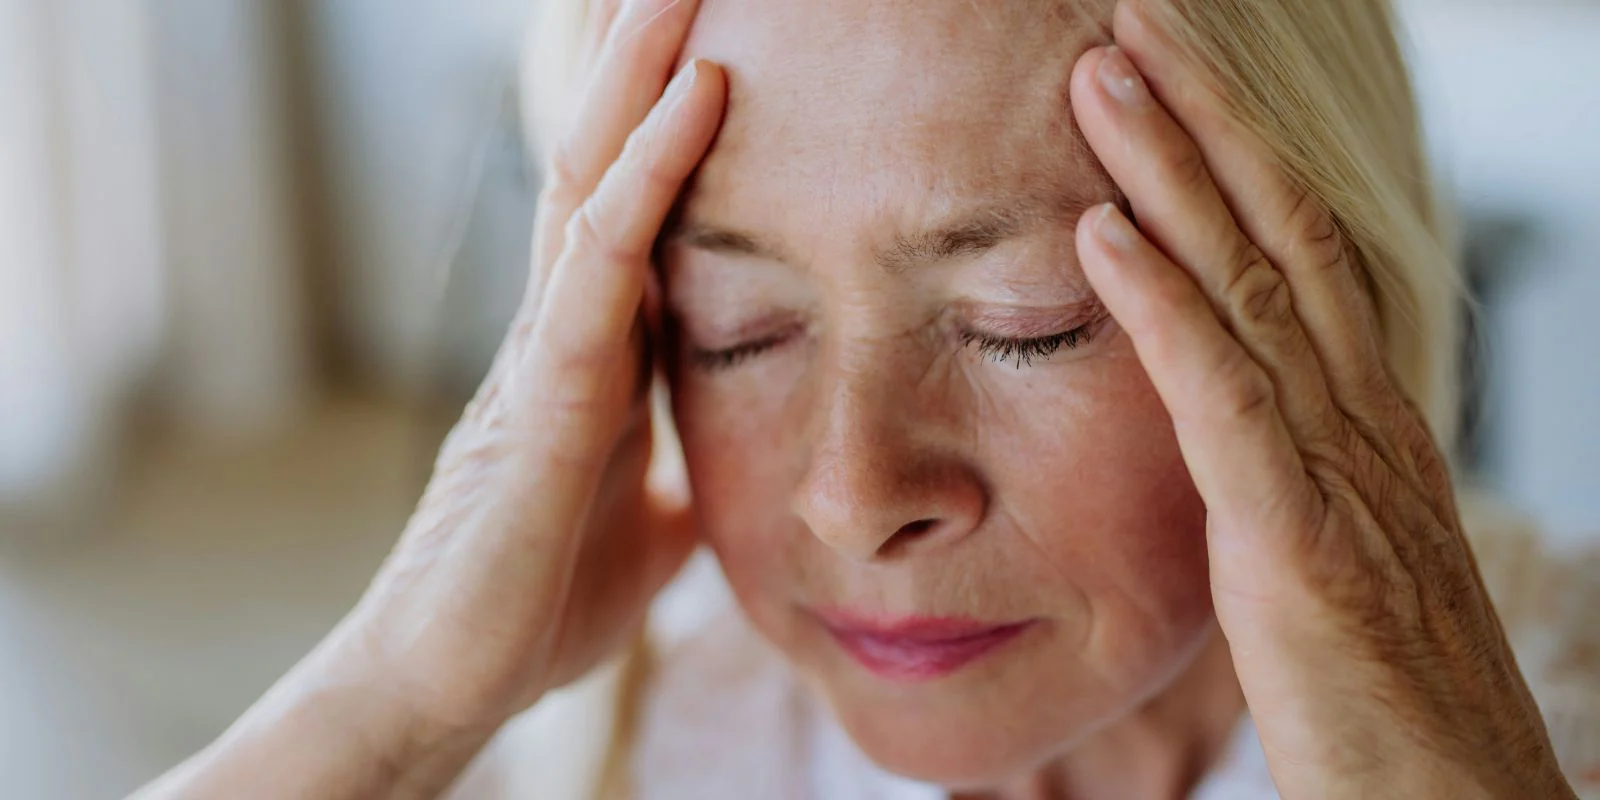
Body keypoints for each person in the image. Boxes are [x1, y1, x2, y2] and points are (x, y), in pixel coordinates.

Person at [136, 0, 1597, 797]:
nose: (851, 493)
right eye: (737, 331)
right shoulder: (655, 742)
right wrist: (393, 705)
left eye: (1027, 326)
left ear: (1325, 304)